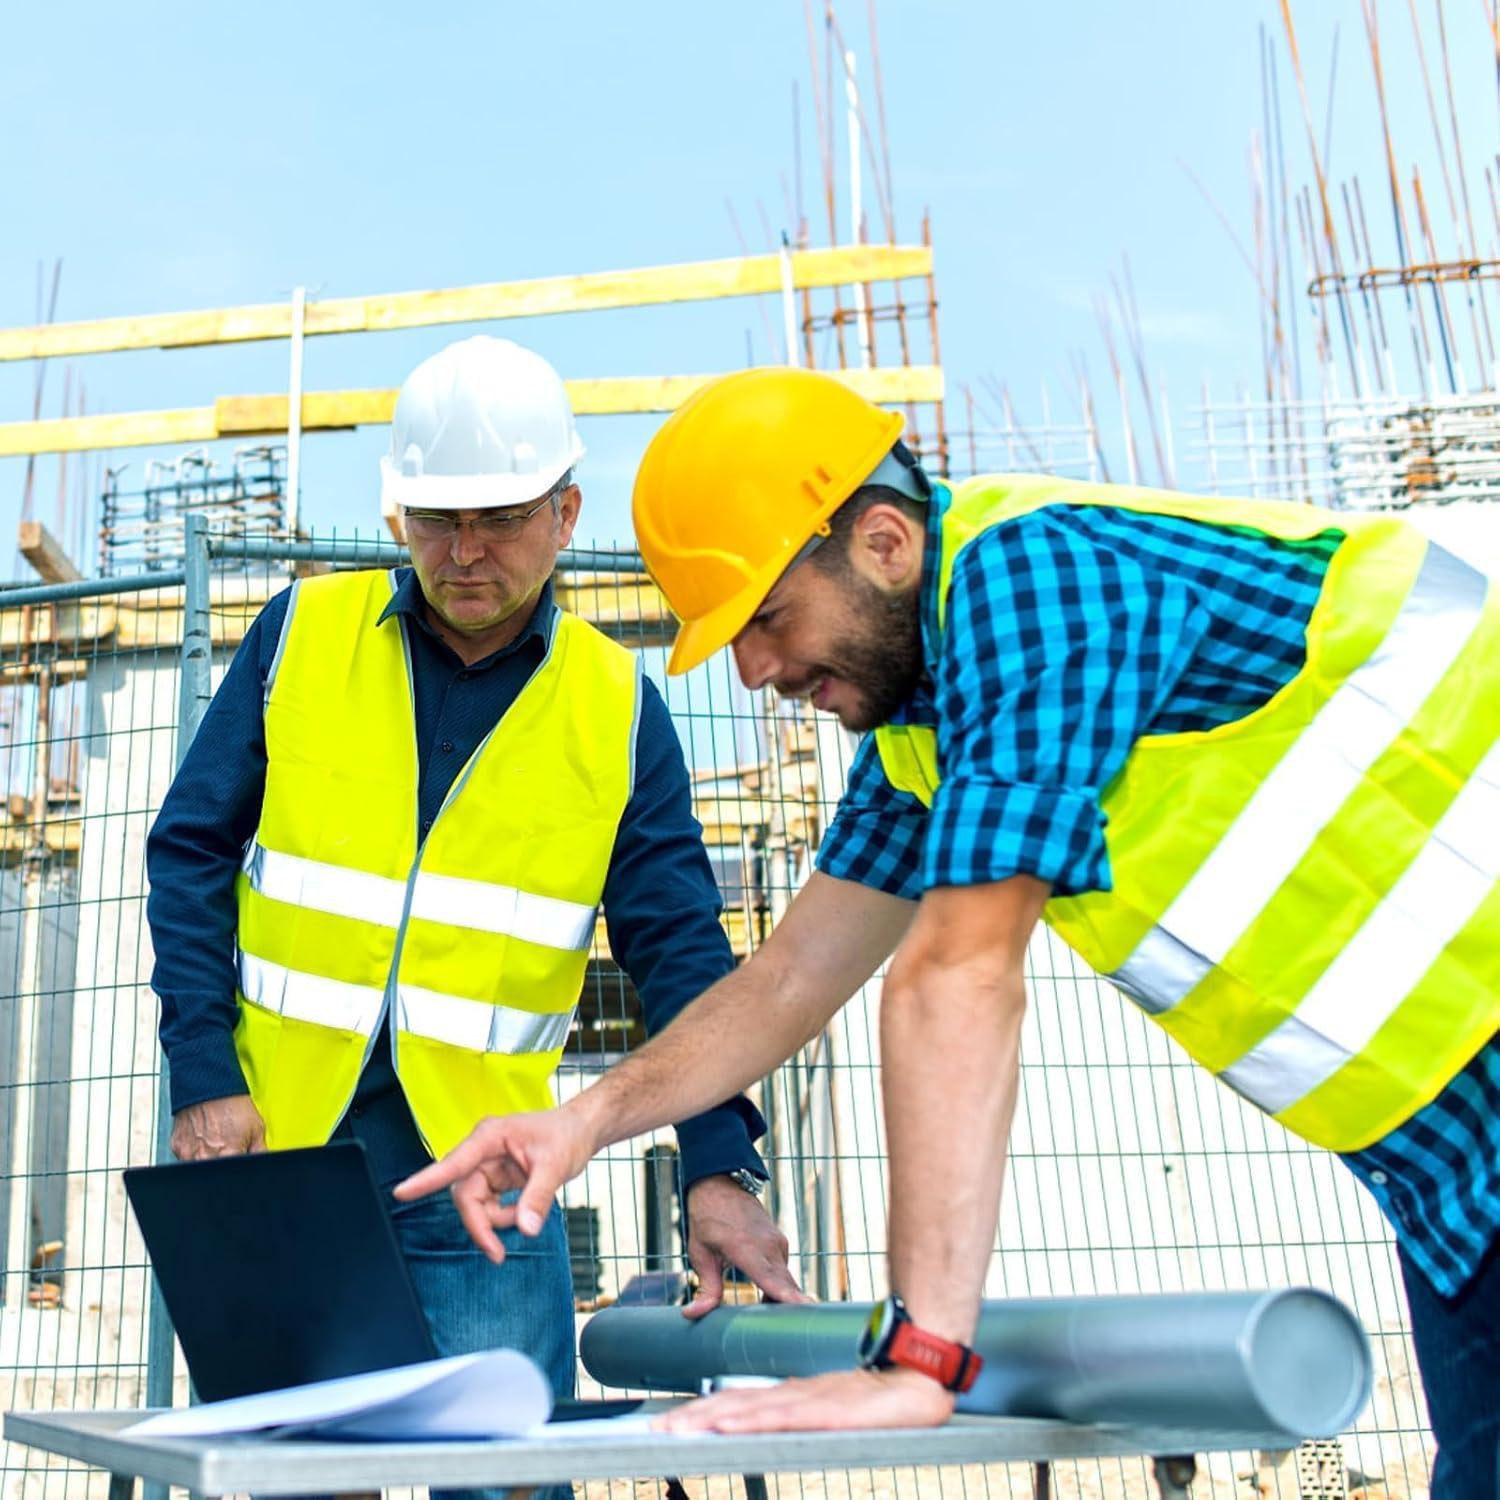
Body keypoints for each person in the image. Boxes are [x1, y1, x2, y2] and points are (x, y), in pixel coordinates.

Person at [398, 367, 1499, 1496]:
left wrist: (921, 1354)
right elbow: (789, 981)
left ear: (882, 542)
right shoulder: (920, 735)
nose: (757, 672)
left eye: (768, 619)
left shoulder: (1035, 580)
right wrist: (582, 1123)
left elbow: (958, 971)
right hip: (1450, 1162)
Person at [146, 341, 803, 1488]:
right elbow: (188, 849)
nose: (462, 553)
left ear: (564, 512)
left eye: (498, 518)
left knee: (502, 1478)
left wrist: (715, 1163)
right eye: (435, 517)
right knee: (284, 1478)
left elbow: (681, 949)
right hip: (282, 1155)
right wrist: (204, 1071)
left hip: (489, 1184)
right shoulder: (298, 640)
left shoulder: (614, 710)